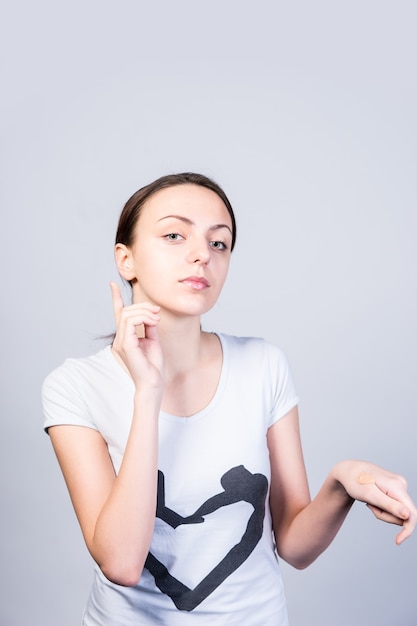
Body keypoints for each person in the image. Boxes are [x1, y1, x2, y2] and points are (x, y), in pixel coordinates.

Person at [42, 172, 416, 626]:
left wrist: (341, 483)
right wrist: (148, 393)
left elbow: (295, 548)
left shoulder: (263, 365)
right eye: (174, 235)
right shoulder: (75, 385)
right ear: (126, 260)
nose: (202, 254)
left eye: (219, 243)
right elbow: (121, 563)